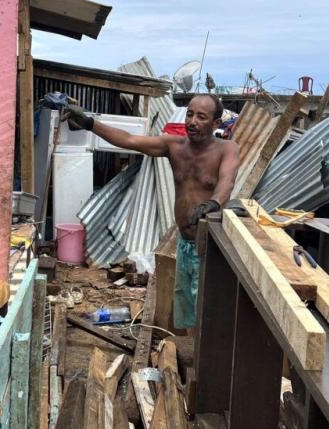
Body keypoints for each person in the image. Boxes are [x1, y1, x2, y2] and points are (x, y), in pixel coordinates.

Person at [65, 95, 240, 329]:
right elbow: (129, 139)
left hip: (209, 247)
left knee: (208, 316)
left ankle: (206, 362)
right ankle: (188, 356)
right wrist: (89, 123)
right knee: (186, 309)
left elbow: (227, 182)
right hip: (185, 245)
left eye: (201, 117)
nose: (192, 121)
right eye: (189, 114)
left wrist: (213, 203)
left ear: (216, 124)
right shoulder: (174, 146)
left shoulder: (227, 149)